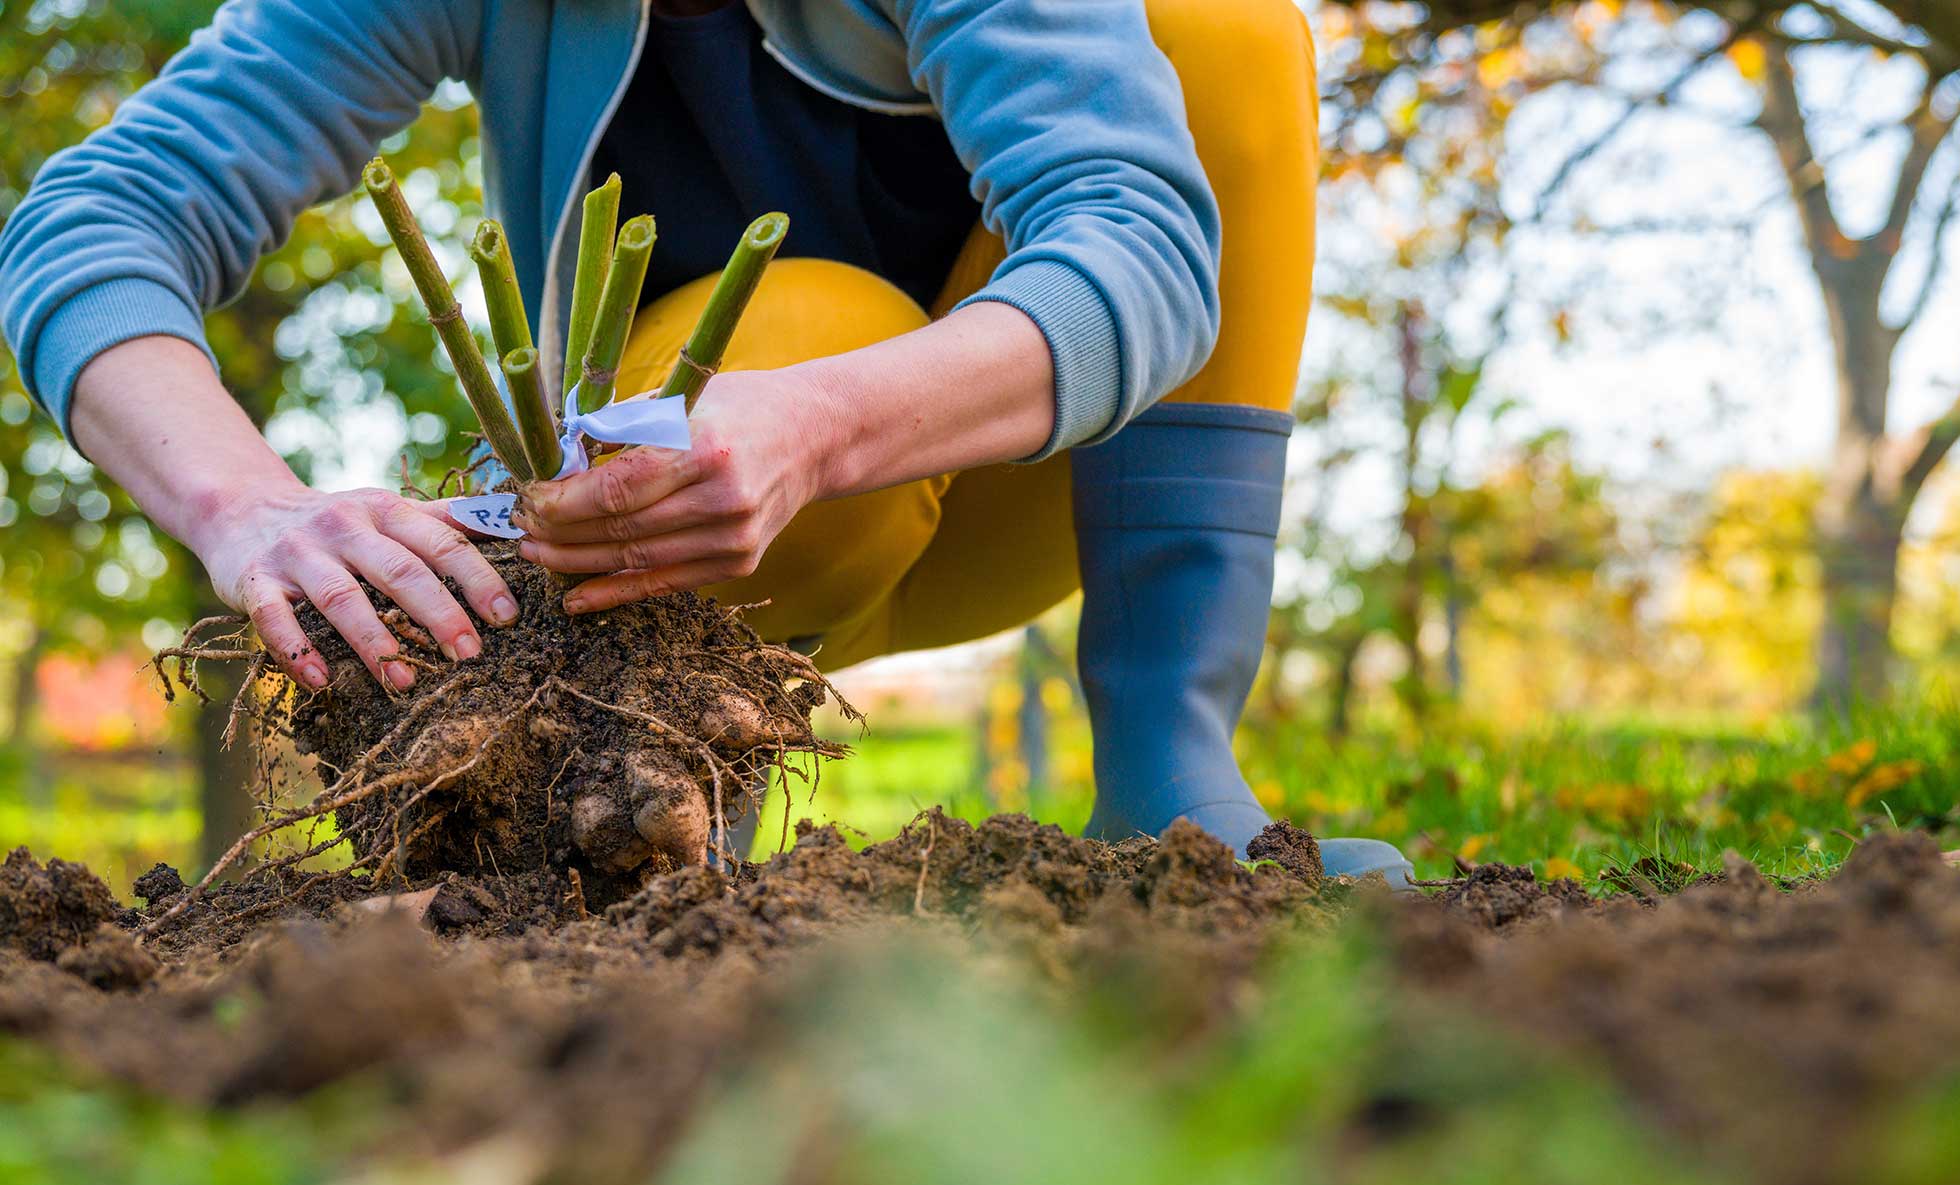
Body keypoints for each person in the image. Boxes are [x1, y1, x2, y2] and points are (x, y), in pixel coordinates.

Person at [0, 0, 1414, 882]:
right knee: (795, 315)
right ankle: (658, 797)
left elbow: (1149, 243)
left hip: (1037, 484)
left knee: (1221, 24)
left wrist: (825, 424)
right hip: (662, 551)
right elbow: (93, 221)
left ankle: (1172, 788)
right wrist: (245, 506)